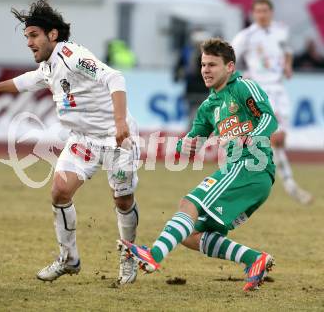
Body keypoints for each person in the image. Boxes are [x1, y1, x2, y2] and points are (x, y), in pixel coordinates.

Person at [0, 0, 140, 284]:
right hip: (82, 141)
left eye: (33, 35)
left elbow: (115, 77)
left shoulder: (72, 55)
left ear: (52, 35)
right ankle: (69, 259)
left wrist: (121, 121)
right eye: (27, 37)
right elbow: (27, 80)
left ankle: (129, 256)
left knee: (123, 200)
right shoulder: (49, 65)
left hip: (115, 138)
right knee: (60, 191)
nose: (29, 42)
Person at [119, 38, 278, 291]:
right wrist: (185, 146)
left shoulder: (244, 87)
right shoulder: (208, 107)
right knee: (190, 234)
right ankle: (253, 259)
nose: (205, 70)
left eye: (212, 65)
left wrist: (252, 136)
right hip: (241, 175)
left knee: (188, 204)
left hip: (250, 168)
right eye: (203, 64)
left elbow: (269, 117)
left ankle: (154, 256)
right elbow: (192, 140)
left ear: (230, 67)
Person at [231, 0, 312, 205]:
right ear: (253, 14)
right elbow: (229, 60)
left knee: (278, 140)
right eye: (258, 11)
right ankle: (289, 185)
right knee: (272, 139)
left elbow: (287, 50)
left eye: (265, 11)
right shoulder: (246, 36)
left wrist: (288, 65)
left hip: (279, 89)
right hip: (259, 91)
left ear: (271, 12)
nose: (262, 15)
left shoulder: (281, 30)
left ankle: (276, 182)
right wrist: (240, 80)